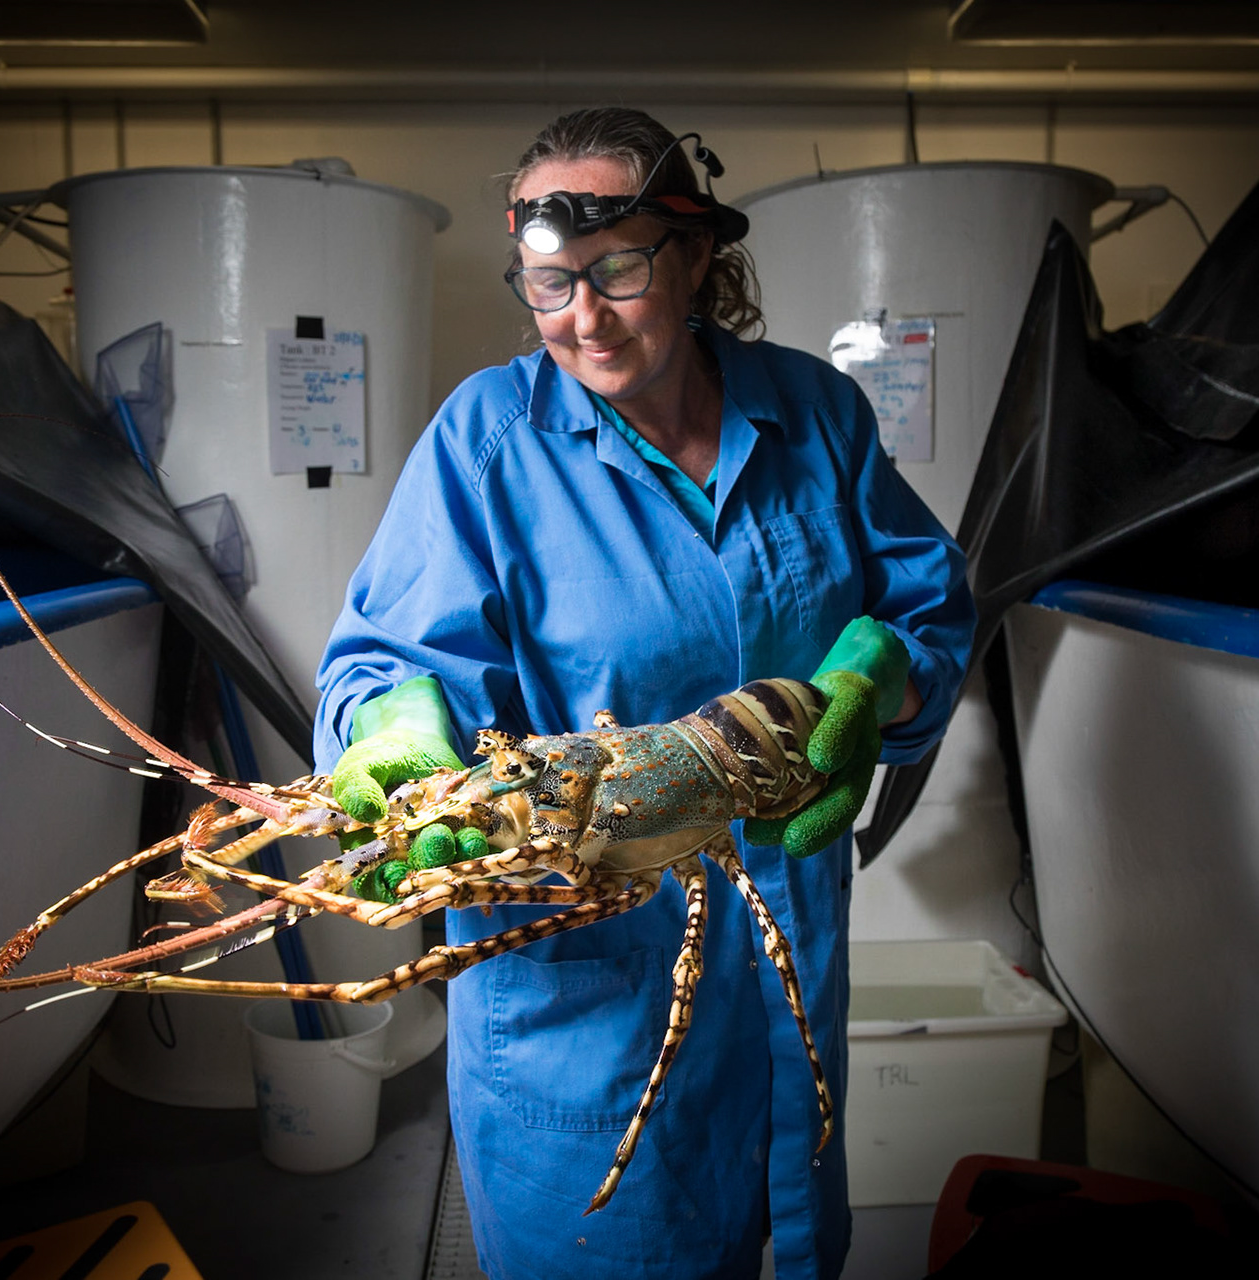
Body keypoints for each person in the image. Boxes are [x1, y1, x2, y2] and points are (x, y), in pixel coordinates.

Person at [314, 108, 974, 1280]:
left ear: (695, 255)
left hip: (784, 985)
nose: (583, 316)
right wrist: (392, 724)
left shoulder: (818, 414)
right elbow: (381, 661)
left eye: (615, 270)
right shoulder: (485, 440)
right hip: (588, 1010)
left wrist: (881, 679)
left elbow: (927, 607)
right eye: (549, 283)